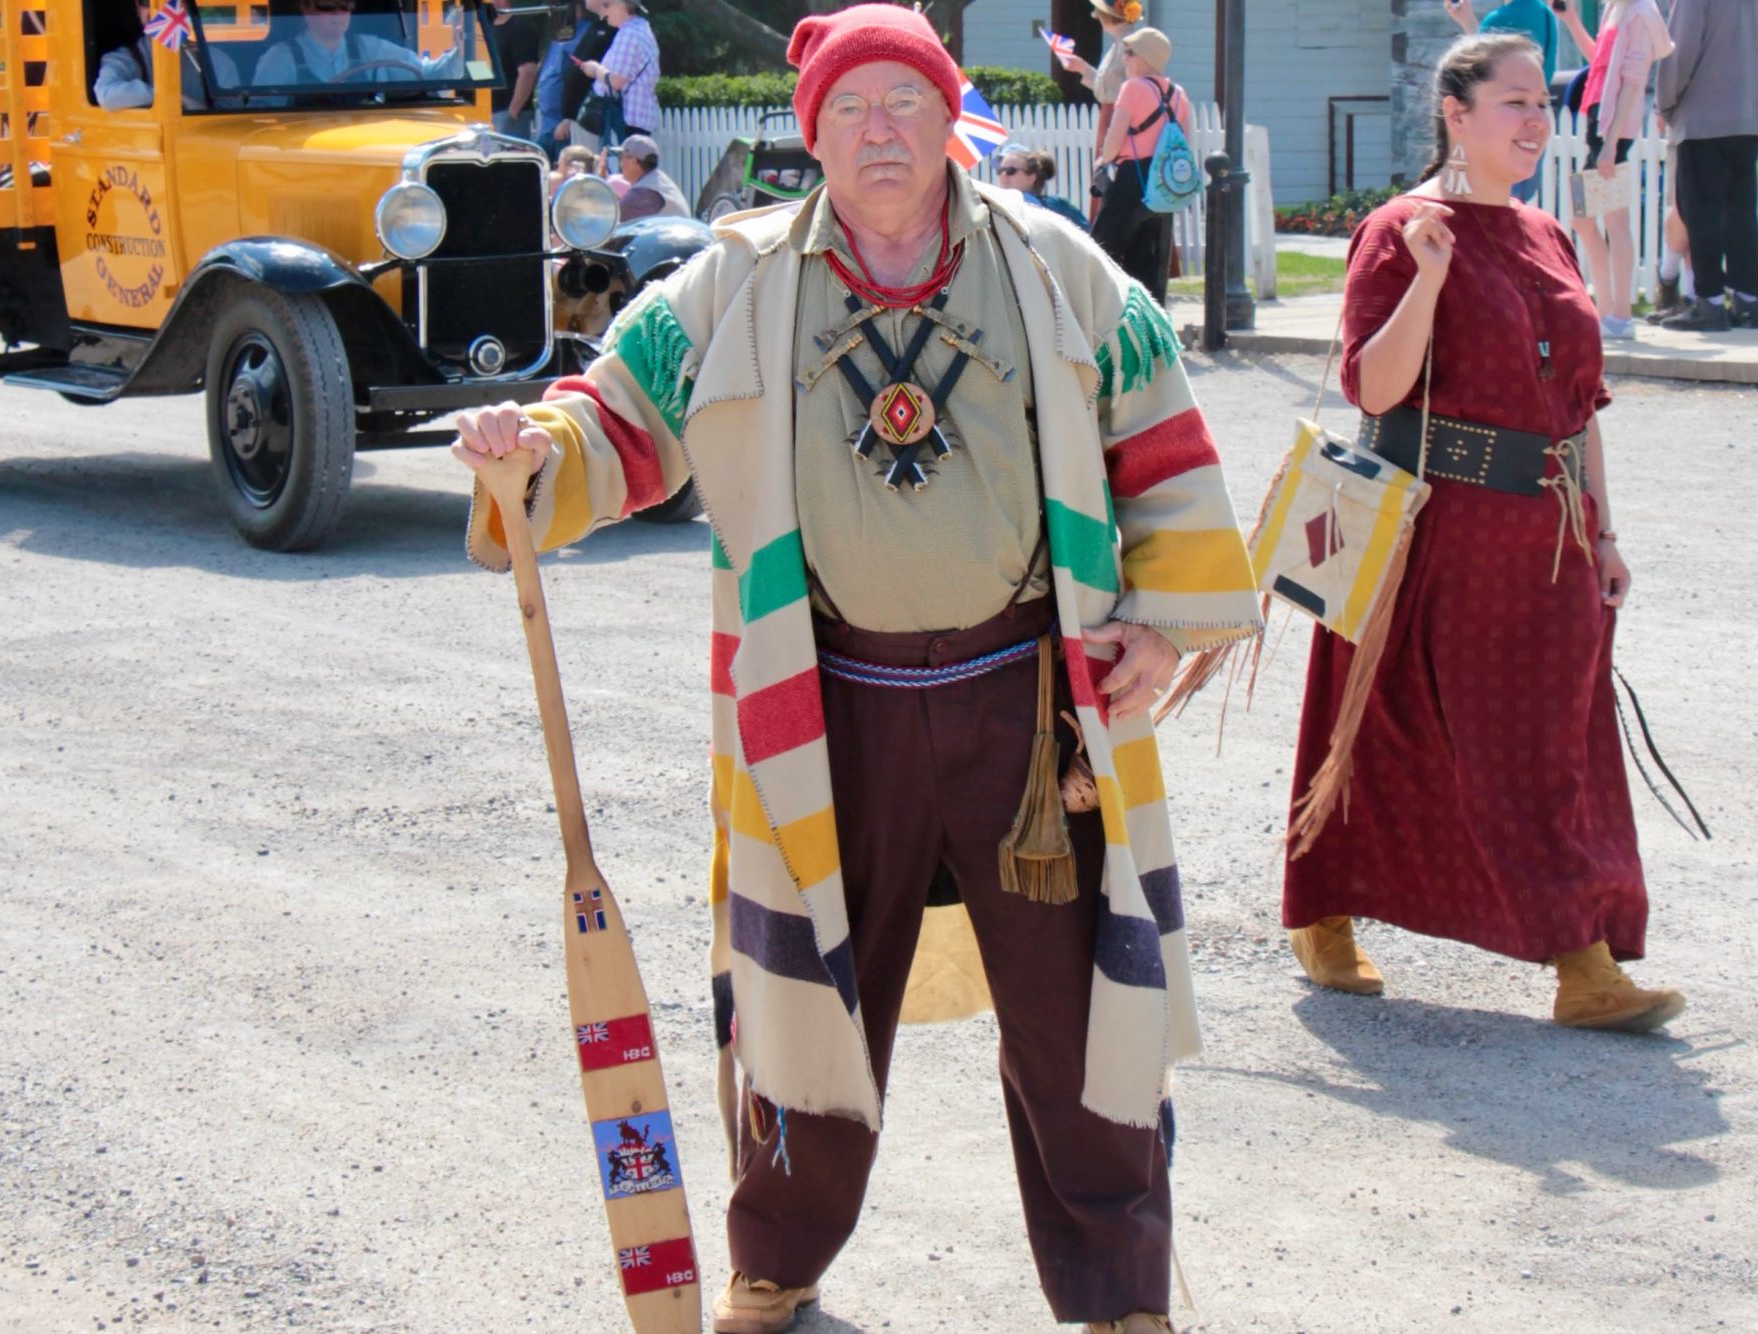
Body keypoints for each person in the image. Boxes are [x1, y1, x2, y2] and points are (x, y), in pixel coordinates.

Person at [448, 7, 1261, 1332]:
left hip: (1034, 712)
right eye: (848, 110)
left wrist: (1163, 623)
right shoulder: (738, 279)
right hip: (826, 709)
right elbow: (615, 417)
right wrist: (527, 449)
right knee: (804, 1008)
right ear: (811, 131)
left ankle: (1121, 1296)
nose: (877, 131)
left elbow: (1161, 433)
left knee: (1080, 1031)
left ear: (951, 121)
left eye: (903, 104)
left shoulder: (1060, 269)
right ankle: (772, 1267)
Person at [1280, 34, 1685, 1035]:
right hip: (1433, 528)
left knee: (1550, 739)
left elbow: (1579, 400)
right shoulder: (1397, 227)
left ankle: (1581, 957)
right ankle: (1325, 908)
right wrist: (1422, 278)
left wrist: (1605, 529)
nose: (1534, 122)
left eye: (1540, 104)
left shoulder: (1546, 234)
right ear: (1452, 113)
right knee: (1383, 725)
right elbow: (1374, 387)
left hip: (1547, 537)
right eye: (1510, 103)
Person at [1648, 4, 1758, 322]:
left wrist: (1664, 104)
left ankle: (1707, 301)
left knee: (1702, 213)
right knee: (1741, 213)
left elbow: (1679, 52)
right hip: (1747, 117)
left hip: (1703, 118)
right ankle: (1747, 300)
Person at [1556, 0, 1672, 341]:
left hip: (1613, 131)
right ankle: (1607, 311)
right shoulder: (1615, 10)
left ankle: (1618, 315)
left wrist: (1610, 143)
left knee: (1609, 219)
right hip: (1599, 124)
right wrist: (1572, 21)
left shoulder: (1639, 15)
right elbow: (1599, 65)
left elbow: (1634, 82)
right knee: (1586, 217)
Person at [1092, 28, 1188, 304]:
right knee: (1148, 259)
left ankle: (1102, 313)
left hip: (1131, 177)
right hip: (1163, 182)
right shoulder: (1179, 94)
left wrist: (1103, 161)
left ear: (1146, 58)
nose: (1125, 59)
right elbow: (1184, 143)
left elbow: (1114, 139)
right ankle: (1148, 321)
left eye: (1129, 53)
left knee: (1104, 249)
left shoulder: (1133, 88)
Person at [1439, 0, 1558, 203]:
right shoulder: (1545, 14)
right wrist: (1468, 22)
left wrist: (1470, 24)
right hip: (1529, 122)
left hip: (1503, 128)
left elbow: (1481, 73)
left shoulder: (1500, 18)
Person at [251, 0, 463, 93]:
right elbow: (262, 117)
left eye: (345, 6)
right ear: (305, 8)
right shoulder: (280, 58)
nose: (338, 13)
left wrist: (460, 50)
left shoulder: (371, 48)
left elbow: (427, 74)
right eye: (326, 6)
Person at [93, 0, 239, 111]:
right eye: (146, 2)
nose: (155, 10)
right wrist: (171, 97)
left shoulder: (216, 60)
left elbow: (233, 116)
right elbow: (106, 94)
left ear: (183, 7)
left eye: (166, 1)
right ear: (138, 9)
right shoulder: (125, 58)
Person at [1062, 1, 1145, 162]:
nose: (1095, 15)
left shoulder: (1129, 45)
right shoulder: (1119, 43)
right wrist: (1082, 68)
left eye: (1099, 12)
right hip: (1111, 116)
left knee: (1111, 173)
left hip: (1120, 118)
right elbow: (1110, 88)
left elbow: (1129, 90)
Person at [535, 0, 611, 155]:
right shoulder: (561, 34)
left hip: (565, 126)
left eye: (555, 5)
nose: (550, 12)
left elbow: (584, 80)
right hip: (547, 125)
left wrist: (571, 118)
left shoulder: (586, 32)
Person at [579, 0, 660, 143]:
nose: (603, 13)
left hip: (625, 119)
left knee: (622, 164)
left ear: (622, 6)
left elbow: (616, 81)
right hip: (634, 118)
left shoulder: (629, 34)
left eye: (606, 5)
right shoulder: (640, 29)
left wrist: (595, 70)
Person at [995, 144, 1089, 230]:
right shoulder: (997, 204)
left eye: (1011, 171)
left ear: (1031, 178)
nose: (1003, 175)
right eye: (1000, 170)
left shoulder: (1054, 206)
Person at [485, 0, 543, 139]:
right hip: (487, 113)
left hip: (510, 114)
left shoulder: (520, 28)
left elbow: (528, 72)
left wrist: (513, 112)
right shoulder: (489, 28)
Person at [614, 132, 692, 220]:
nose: (620, 162)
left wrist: (600, 186)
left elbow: (611, 218)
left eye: (621, 157)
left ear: (634, 161)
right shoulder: (654, 181)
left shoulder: (644, 191)